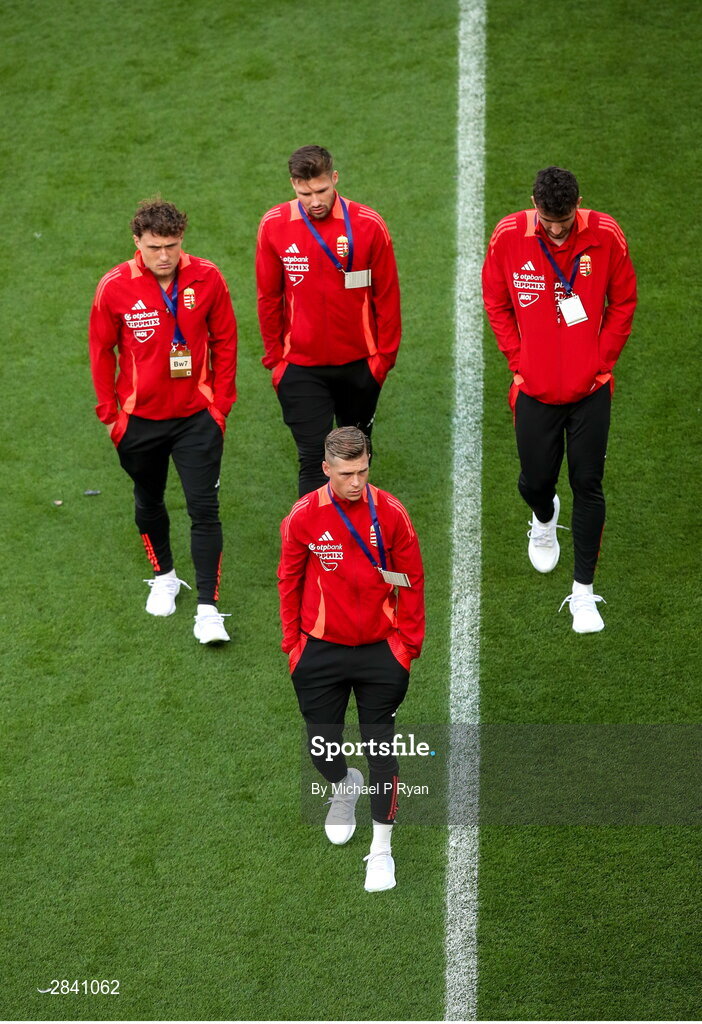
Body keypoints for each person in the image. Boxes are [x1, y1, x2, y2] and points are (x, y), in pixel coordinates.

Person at [482, 166, 637, 633]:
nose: (555, 230)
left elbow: (624, 301)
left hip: (590, 391)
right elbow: (496, 301)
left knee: (588, 484)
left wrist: (600, 359)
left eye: (564, 221)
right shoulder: (508, 235)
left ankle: (583, 595)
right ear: (534, 204)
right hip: (534, 389)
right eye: (547, 220)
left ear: (578, 205)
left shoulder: (606, 233)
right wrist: (518, 357)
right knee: (534, 481)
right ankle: (544, 516)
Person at [278, 427, 425, 891]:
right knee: (322, 746)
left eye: (362, 471)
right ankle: (344, 783)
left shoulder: (392, 514)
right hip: (319, 651)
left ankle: (381, 850)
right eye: (346, 474)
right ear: (326, 470)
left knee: (382, 751)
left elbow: (411, 581)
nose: (356, 482)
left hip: (382, 652)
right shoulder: (303, 518)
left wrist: (407, 647)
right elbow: (288, 580)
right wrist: (293, 648)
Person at [89, 198, 238, 644]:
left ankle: (208, 609)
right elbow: (101, 352)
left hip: (197, 418)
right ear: (137, 242)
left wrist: (220, 404)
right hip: (139, 423)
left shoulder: (207, 277)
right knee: (148, 499)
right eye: (155, 246)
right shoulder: (114, 286)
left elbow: (226, 339)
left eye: (172, 245)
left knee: (204, 509)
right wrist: (111, 417)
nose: (165, 256)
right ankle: (165, 575)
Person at [256, 145, 402, 497]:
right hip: (301, 368)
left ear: (334, 179)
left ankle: (354, 532)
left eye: (321, 190)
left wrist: (383, 360)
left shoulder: (368, 224)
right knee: (312, 459)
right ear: (293, 185)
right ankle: (320, 548)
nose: (314, 200)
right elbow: (268, 297)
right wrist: (277, 361)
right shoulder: (275, 225)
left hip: (360, 366)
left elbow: (387, 296)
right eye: (305, 193)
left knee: (354, 455)